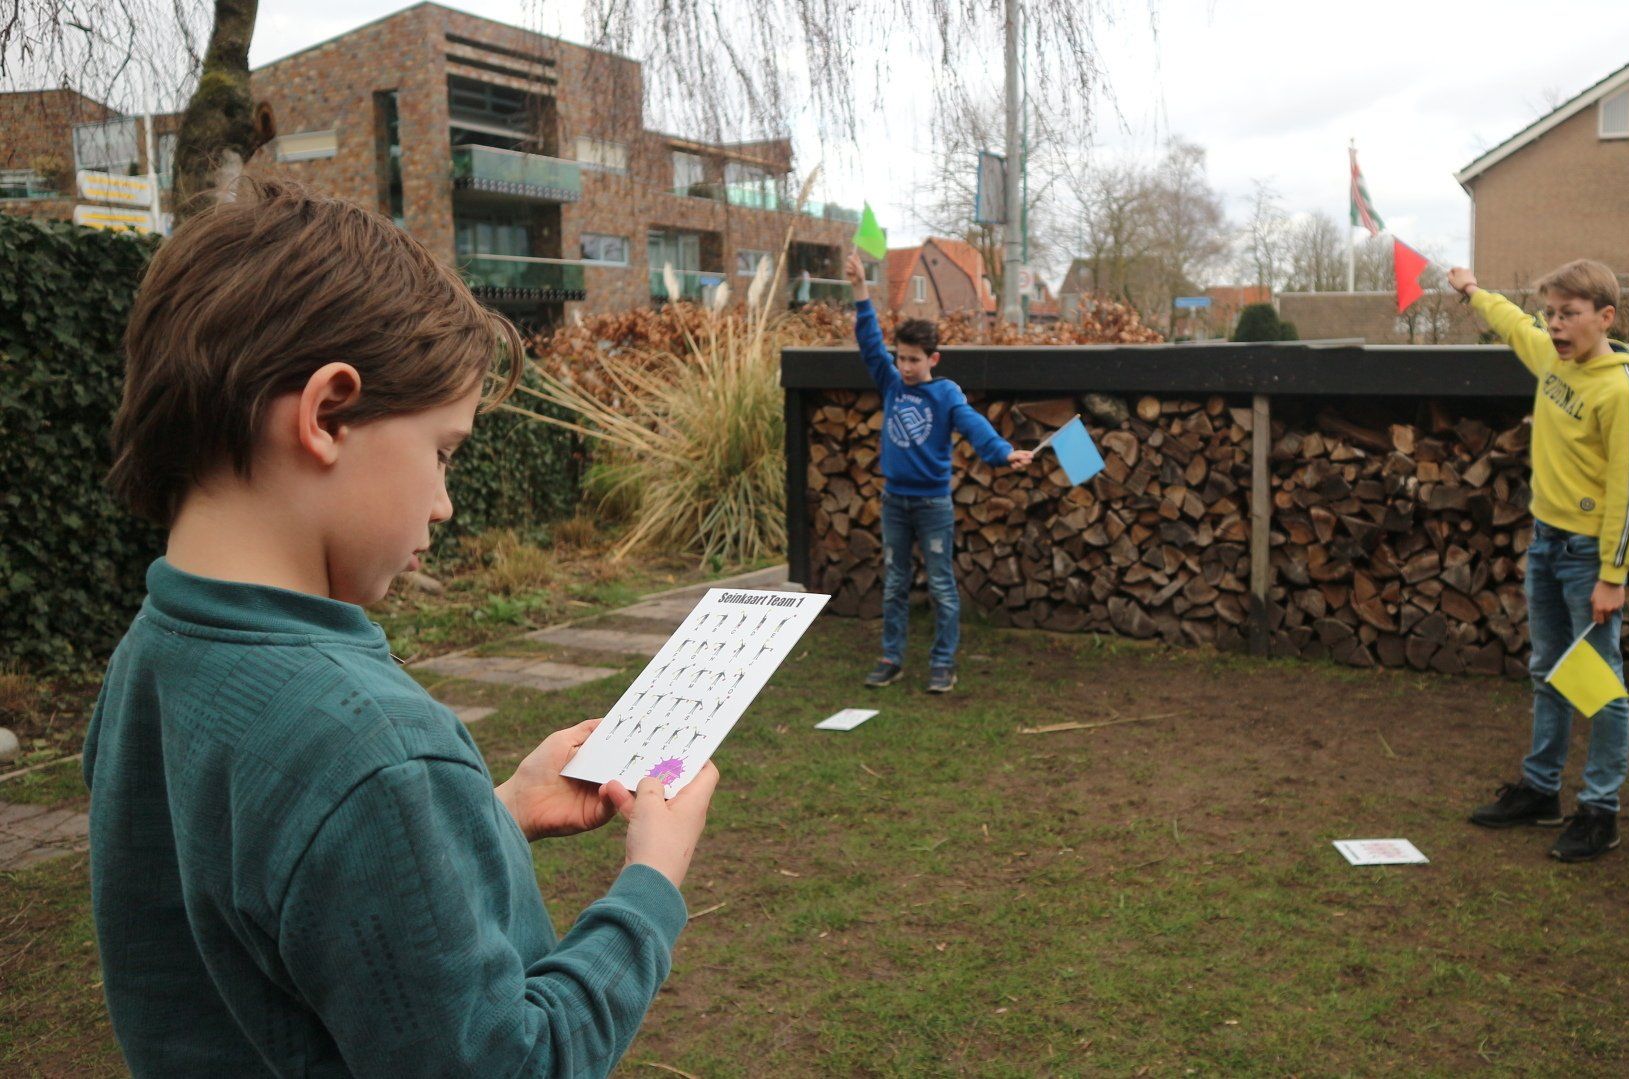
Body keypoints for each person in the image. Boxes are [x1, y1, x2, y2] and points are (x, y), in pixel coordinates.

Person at [85, 180, 718, 1075]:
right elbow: (514, 1062)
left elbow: (287, 906)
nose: (445, 504)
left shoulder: (153, 655)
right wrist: (650, 879)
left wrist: (491, 813)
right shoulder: (373, 749)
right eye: (442, 451)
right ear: (327, 414)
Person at [1449, 259, 1629, 862]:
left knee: (1600, 686)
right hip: (1546, 542)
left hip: (1588, 557)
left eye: (1569, 314)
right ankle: (1541, 792)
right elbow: (1513, 324)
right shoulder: (1551, 358)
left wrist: (1613, 576)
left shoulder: (1623, 393)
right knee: (1548, 672)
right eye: (1552, 314)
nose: (1556, 326)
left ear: (1605, 317)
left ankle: (1601, 811)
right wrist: (1470, 291)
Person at [842, 251, 1033, 694]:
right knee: (894, 585)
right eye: (901, 358)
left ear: (934, 358)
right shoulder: (890, 383)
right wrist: (859, 289)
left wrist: (1003, 453)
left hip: (932, 506)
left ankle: (943, 664)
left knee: (943, 587)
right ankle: (891, 658)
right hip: (895, 503)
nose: (905, 367)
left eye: (914, 360)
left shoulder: (945, 394)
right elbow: (870, 341)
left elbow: (974, 426)